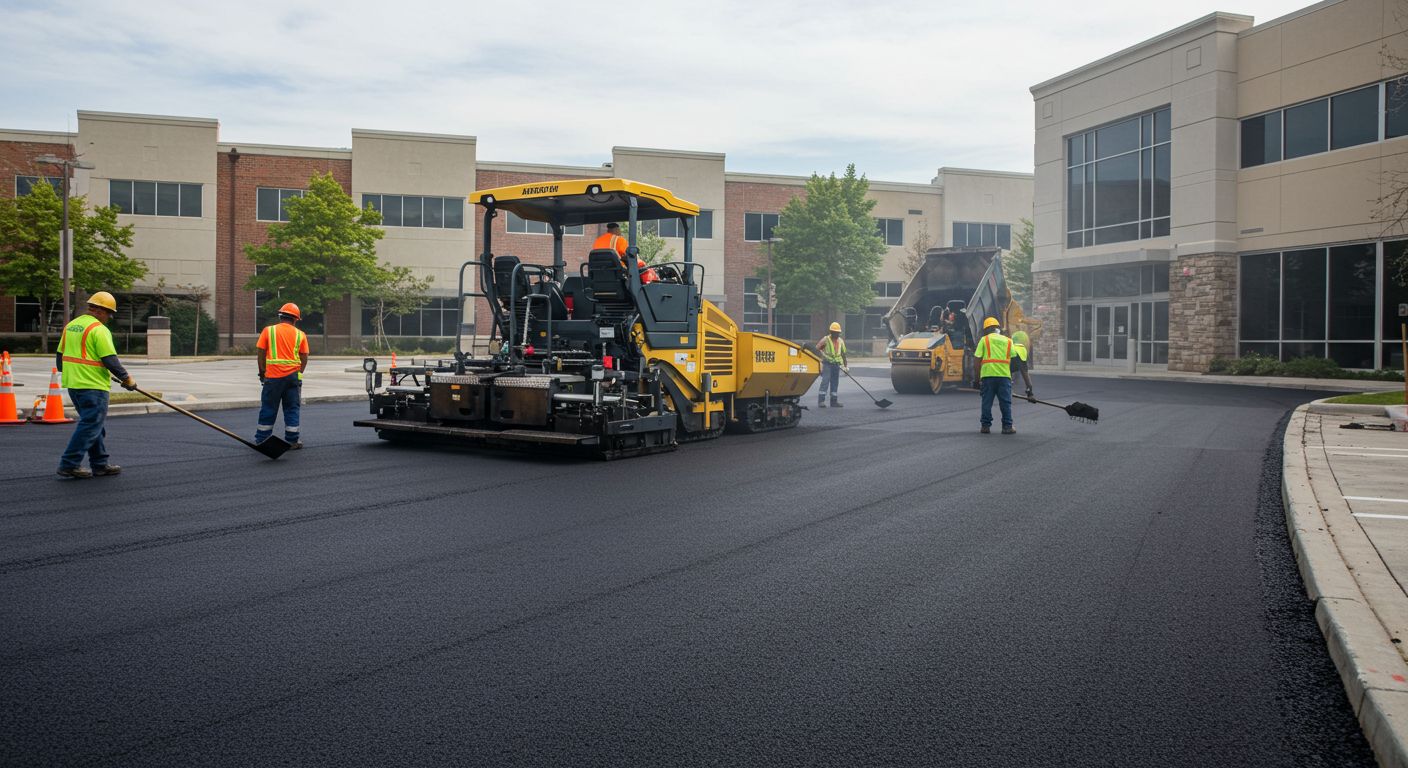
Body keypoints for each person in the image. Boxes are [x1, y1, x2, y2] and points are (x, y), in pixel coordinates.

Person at [56, 291, 136, 479]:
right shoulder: (98, 329)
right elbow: (110, 360)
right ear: (101, 311)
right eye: (109, 313)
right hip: (93, 386)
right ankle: (69, 464)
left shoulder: (71, 326)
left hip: (74, 385)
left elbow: (60, 360)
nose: (109, 317)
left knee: (93, 425)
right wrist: (127, 379)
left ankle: (100, 464)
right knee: (90, 425)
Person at [255, 302, 309, 449]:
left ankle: (262, 439)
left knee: (268, 407)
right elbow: (304, 357)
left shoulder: (268, 331)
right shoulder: (300, 335)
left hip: (272, 377)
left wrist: (262, 372)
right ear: (295, 319)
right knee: (292, 408)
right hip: (293, 377)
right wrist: (299, 374)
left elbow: (261, 353)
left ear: (280, 316)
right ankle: (292, 440)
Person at [973, 316, 1029, 435]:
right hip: (1004, 377)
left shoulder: (984, 340)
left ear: (986, 329)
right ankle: (1007, 427)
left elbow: (977, 361)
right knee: (1005, 402)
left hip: (988, 376)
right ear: (998, 328)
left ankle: (985, 426)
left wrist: (976, 380)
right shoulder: (1008, 340)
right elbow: (1014, 359)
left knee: (986, 402)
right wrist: (1028, 385)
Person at [592, 222, 656, 284]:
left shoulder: (597, 240)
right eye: (619, 230)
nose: (620, 233)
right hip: (617, 272)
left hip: (599, 272)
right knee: (642, 265)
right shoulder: (619, 239)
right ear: (616, 230)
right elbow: (628, 255)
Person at [815, 321, 848, 408]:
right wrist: (821, 356)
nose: (836, 334)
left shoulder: (841, 341)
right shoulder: (826, 339)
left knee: (835, 382)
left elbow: (843, 354)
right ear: (831, 332)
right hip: (827, 364)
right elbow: (817, 349)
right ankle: (821, 401)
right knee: (825, 381)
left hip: (836, 365)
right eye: (835, 332)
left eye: (837, 333)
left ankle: (834, 401)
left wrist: (845, 367)